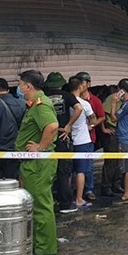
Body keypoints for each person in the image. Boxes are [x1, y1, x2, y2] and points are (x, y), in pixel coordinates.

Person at [15, 70, 59, 255]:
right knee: (35, 204)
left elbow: (52, 126)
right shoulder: (34, 105)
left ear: (28, 86)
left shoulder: (41, 105)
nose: (18, 87)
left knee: (41, 205)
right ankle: (38, 244)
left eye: (20, 84)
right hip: (32, 163)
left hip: (39, 164)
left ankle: (46, 249)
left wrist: (40, 147)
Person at [45, 72, 83, 214]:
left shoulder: (44, 97)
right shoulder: (67, 95)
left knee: (48, 169)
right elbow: (79, 109)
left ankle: (49, 199)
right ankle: (65, 203)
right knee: (63, 171)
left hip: (48, 136)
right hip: (62, 135)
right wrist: (68, 125)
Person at [75, 72, 106, 201]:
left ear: (88, 84)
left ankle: (88, 189)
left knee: (87, 166)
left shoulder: (95, 101)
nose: (81, 86)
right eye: (79, 83)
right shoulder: (73, 100)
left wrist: (93, 126)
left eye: (83, 83)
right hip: (75, 137)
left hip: (89, 137)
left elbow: (102, 116)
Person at [67, 77, 96, 208]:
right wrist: (89, 124)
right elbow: (93, 120)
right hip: (82, 140)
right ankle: (79, 198)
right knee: (81, 171)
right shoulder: (84, 104)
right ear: (80, 87)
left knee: (67, 171)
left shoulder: (64, 101)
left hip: (67, 139)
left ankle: (66, 197)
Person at [111, 78, 128, 204]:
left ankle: (127, 194)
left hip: (126, 139)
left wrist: (113, 103)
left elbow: (114, 118)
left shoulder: (127, 104)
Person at [100, 85, 122, 197]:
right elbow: (102, 114)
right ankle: (106, 186)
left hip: (119, 131)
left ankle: (116, 184)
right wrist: (104, 129)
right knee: (111, 161)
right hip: (111, 131)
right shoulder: (112, 98)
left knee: (117, 161)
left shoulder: (124, 99)